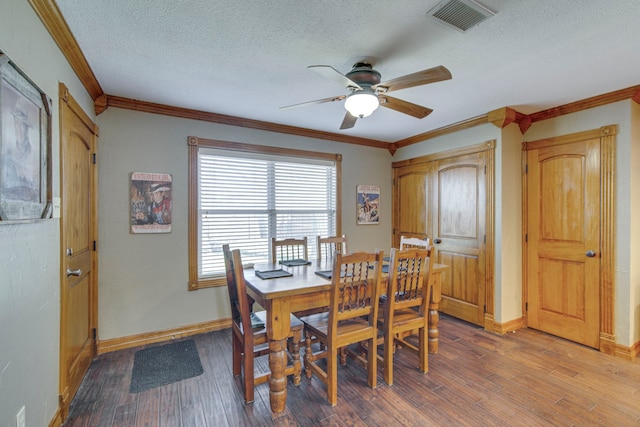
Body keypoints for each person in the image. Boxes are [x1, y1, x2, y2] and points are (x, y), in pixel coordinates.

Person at [1, 96, 39, 202]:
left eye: (22, 124)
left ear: (27, 128)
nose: (18, 129)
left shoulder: (34, 155)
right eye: (16, 123)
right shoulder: (7, 153)